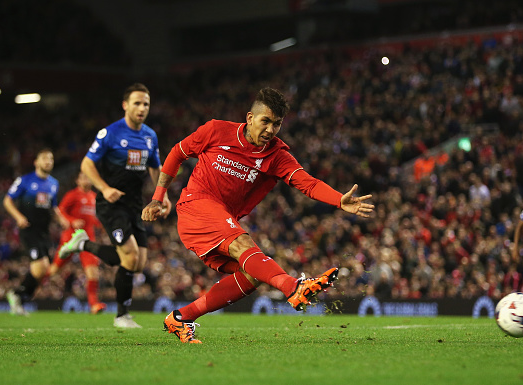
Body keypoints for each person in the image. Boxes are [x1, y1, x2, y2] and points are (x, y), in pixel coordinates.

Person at [142, 87, 374, 343]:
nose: (271, 130)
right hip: (196, 205)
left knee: (254, 273)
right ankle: (293, 287)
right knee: (245, 244)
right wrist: (157, 196)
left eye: (277, 124)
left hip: (220, 219)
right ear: (250, 118)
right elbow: (178, 153)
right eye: (266, 121)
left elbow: (307, 183)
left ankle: (181, 317)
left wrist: (338, 201)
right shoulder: (216, 130)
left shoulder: (276, 155)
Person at [59, 83, 171, 328]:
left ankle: (83, 244)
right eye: (137, 103)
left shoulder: (150, 135)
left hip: (135, 204)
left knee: (138, 262)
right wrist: (104, 188)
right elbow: (87, 165)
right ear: (125, 105)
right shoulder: (110, 133)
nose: (142, 108)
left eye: (146, 104)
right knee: (129, 255)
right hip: (111, 204)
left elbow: (155, 167)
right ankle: (122, 316)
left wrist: (161, 195)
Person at [3, 148, 68, 315]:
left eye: (51, 159)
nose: (48, 162)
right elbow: (8, 200)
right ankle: (18, 295)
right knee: (41, 266)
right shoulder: (25, 180)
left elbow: (52, 206)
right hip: (29, 229)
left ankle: (20, 296)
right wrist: (18, 217)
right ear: (36, 162)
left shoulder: (54, 183)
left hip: (44, 231)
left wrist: (60, 219)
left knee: (43, 270)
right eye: (45, 159)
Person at [48, 171, 106, 315]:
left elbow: (93, 218)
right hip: (70, 239)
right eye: (84, 177)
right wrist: (72, 221)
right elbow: (60, 211)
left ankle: (94, 305)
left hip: (87, 240)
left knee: (93, 272)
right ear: (78, 180)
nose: (87, 180)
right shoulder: (72, 195)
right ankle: (30, 291)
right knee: (54, 270)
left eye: (88, 177)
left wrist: (102, 226)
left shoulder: (93, 196)